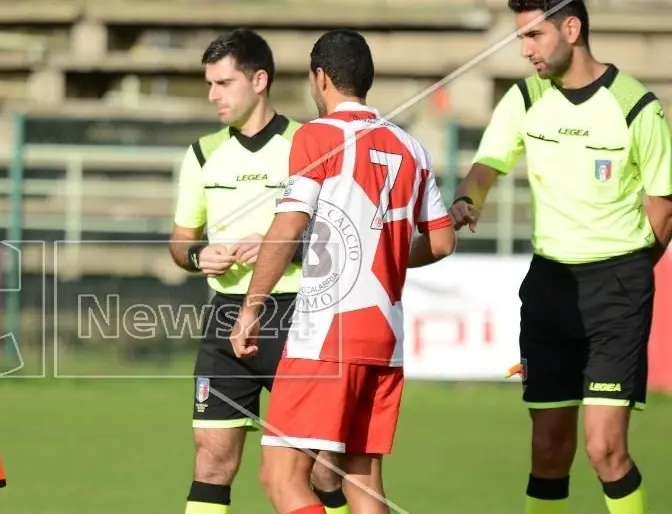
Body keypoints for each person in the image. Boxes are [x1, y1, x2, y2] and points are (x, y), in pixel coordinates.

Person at [452, 2, 672, 513]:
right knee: (548, 450)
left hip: (617, 285)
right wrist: (468, 198)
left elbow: (662, 210)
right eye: (520, 37)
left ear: (571, 28)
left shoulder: (637, 106)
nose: (525, 49)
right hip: (549, 286)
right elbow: (487, 165)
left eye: (534, 35)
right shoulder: (525, 98)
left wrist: (631, 276)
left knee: (604, 448)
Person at [229, 29, 455, 514]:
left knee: (281, 477)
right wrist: (388, 253)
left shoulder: (318, 135)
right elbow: (441, 241)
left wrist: (251, 307)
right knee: (362, 479)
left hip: (328, 334)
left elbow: (288, 226)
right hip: (385, 338)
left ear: (321, 78)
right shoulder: (411, 147)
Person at [168, 28, 349, 514]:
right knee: (210, 460)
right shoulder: (203, 153)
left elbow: (339, 237)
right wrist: (196, 256)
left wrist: (281, 248)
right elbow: (180, 242)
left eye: (223, 83)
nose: (212, 95)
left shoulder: (309, 143)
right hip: (226, 317)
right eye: (210, 84)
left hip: (300, 316)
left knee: (319, 467)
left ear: (260, 80)